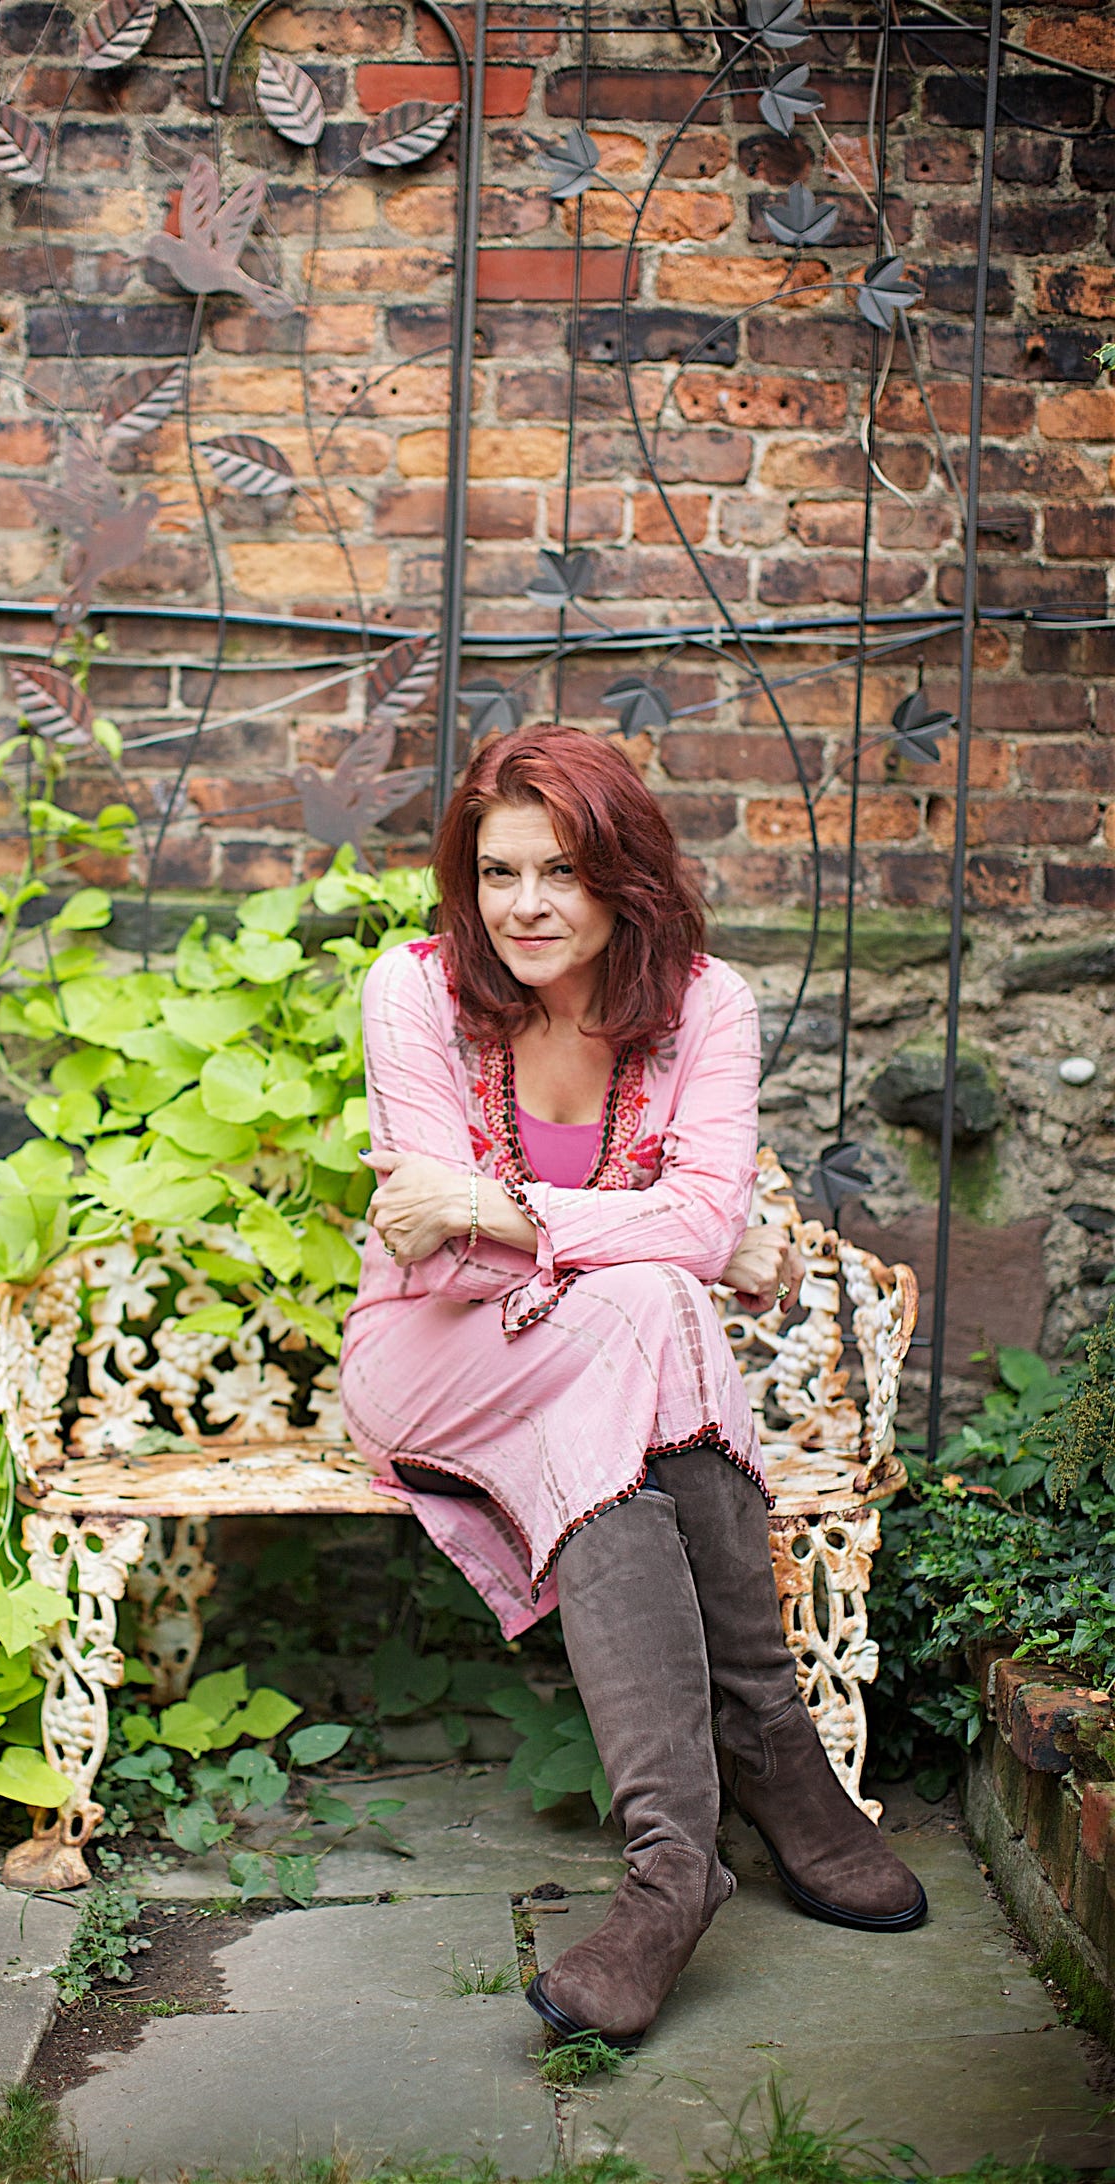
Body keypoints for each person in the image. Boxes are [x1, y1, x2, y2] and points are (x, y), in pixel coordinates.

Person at [339, 725, 926, 2053]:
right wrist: (646, 1233)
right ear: (465, 884)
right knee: (649, 1302)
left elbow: (702, 1225)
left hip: (595, 1369)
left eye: (562, 869)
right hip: (428, 1362)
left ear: (625, 876)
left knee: (643, 1316)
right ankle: (773, 1761)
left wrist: (507, 1206)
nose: (528, 905)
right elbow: (444, 1256)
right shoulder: (414, 991)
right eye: (498, 873)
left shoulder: (706, 1006)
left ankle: (674, 1876)